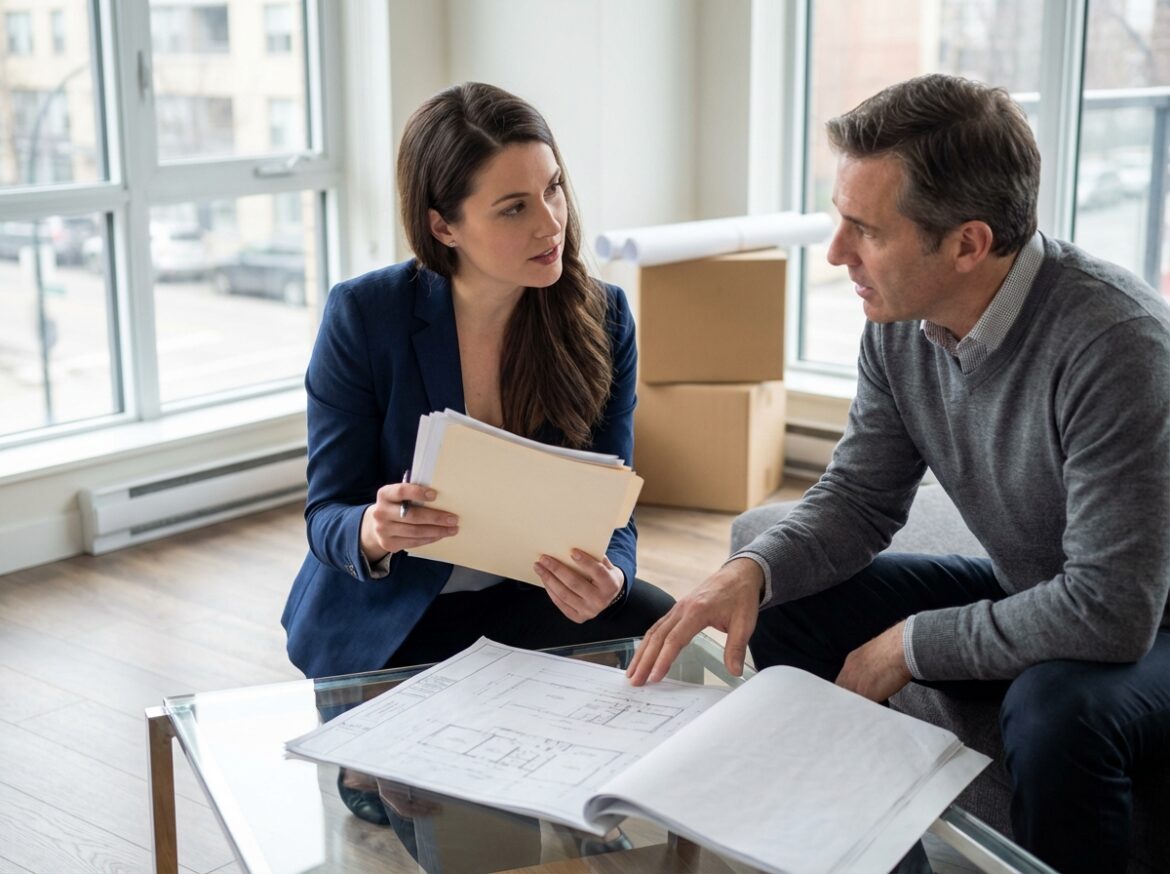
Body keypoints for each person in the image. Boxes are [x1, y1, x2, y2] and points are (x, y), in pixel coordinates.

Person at [627, 73, 1170, 874]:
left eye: (865, 230)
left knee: (1055, 714)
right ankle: (861, 855)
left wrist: (911, 646)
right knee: (785, 598)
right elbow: (858, 498)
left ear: (968, 244)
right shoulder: (901, 324)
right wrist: (752, 568)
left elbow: (1113, 610)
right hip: (1041, 583)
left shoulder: (1115, 347)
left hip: (1152, 616)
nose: (838, 253)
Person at [281, 82, 673, 839]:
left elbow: (612, 500)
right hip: (400, 612)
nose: (551, 222)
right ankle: (374, 756)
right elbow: (325, 514)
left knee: (658, 630)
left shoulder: (602, 315)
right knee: (464, 828)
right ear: (443, 225)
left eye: (553, 189)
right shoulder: (365, 316)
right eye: (513, 207)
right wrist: (373, 527)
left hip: (532, 593)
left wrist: (614, 573)